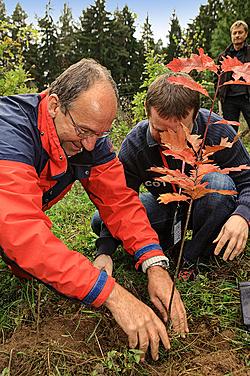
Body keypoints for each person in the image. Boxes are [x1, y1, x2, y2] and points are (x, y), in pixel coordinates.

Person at [0, 59, 189, 361]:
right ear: (54, 105)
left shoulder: (90, 139)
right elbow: (20, 231)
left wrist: (155, 264)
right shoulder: (9, 134)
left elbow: (120, 203)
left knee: (27, 266)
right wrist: (113, 295)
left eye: (100, 134)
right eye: (83, 130)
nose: (90, 145)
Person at [92, 72, 250, 281]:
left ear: (195, 117)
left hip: (211, 207)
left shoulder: (217, 131)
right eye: (159, 130)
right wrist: (105, 249)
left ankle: (193, 256)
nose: (168, 140)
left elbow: (247, 179)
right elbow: (120, 200)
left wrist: (243, 215)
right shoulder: (135, 145)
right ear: (148, 113)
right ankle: (168, 243)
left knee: (217, 184)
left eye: (178, 132)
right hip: (168, 208)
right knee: (98, 221)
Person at [217, 20, 250, 132]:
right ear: (231, 35)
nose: (237, 35)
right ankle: (233, 150)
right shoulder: (223, 56)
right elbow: (216, 77)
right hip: (229, 99)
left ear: (246, 34)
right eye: (234, 33)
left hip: (247, 97)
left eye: (240, 32)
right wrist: (219, 93)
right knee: (230, 132)